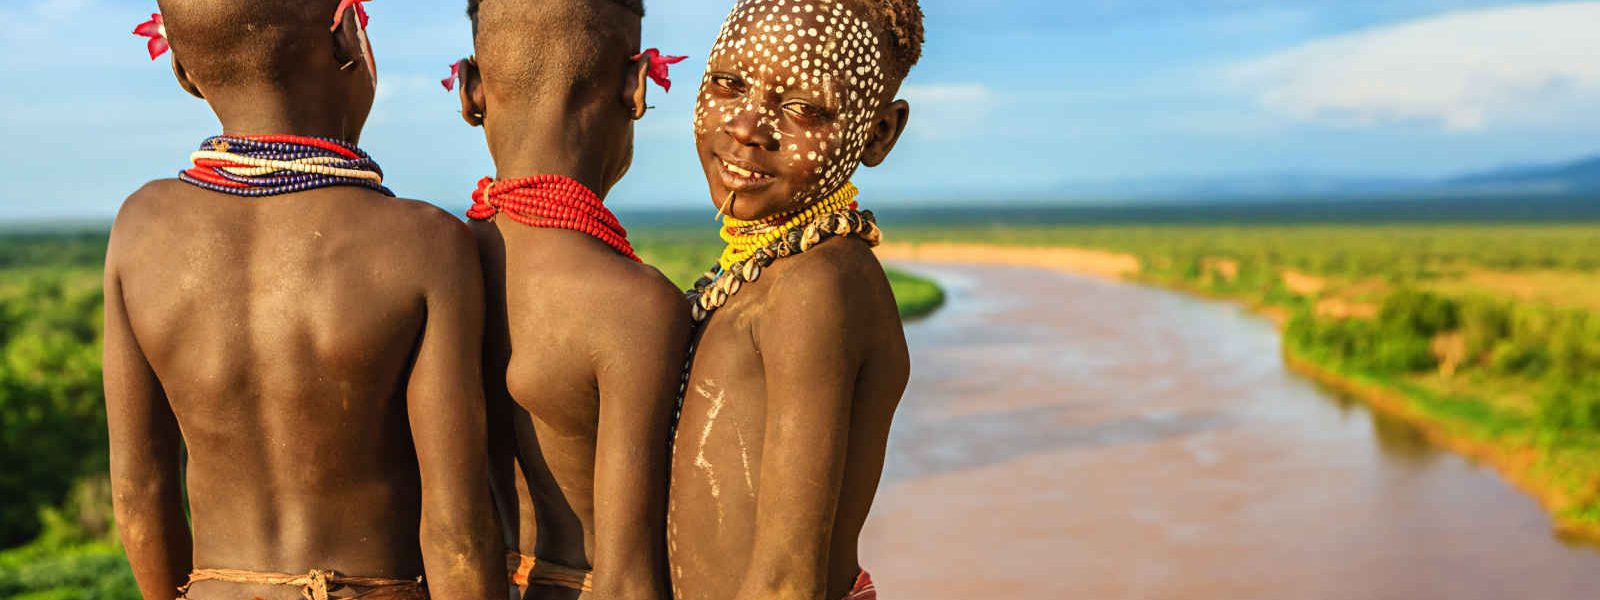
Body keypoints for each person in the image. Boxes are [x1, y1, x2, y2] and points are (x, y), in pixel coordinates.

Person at [105, 2, 503, 598]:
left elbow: (139, 502)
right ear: (347, 35)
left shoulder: (140, 231)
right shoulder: (422, 244)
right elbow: (458, 535)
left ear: (182, 68)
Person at [667, 0, 923, 599]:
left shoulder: (818, 286)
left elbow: (787, 580)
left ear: (879, 132)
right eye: (728, 84)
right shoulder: (767, 274)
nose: (748, 127)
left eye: (803, 108)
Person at [451, 1, 690, 598]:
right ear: (636, 86)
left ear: (471, 88)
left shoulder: (431, 262)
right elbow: (628, 579)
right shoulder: (635, 306)